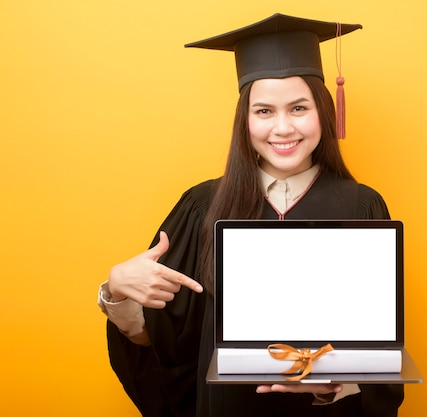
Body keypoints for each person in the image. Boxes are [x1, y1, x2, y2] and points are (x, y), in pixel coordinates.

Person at [98, 13, 404, 417]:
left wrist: (337, 385)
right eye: (263, 111)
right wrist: (116, 291)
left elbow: (379, 352)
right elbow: (165, 348)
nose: (282, 128)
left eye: (298, 108)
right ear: (244, 120)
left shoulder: (361, 207)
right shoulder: (203, 206)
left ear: (324, 112)